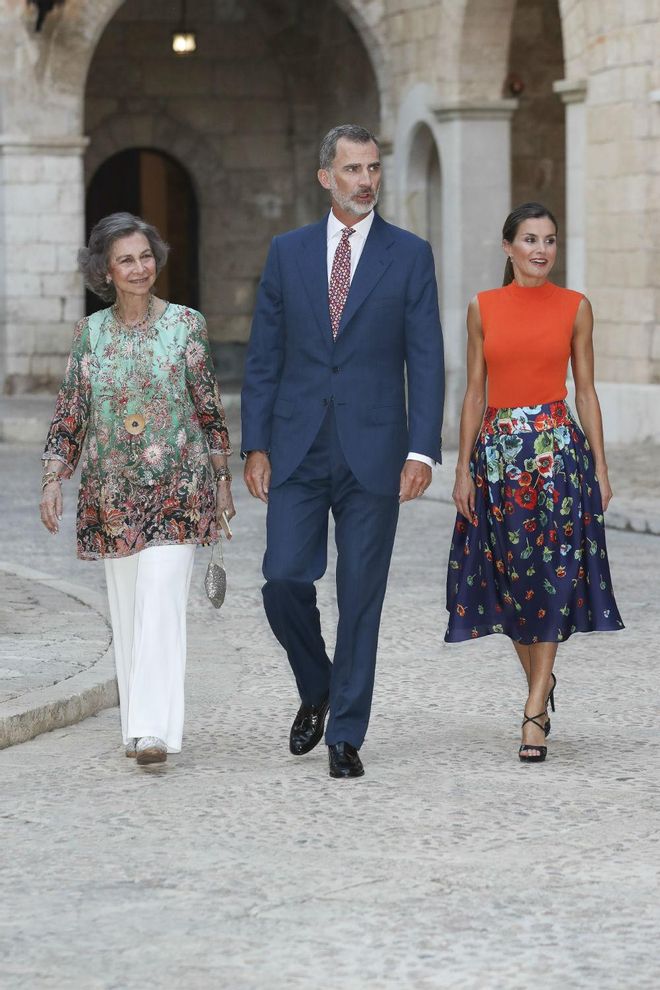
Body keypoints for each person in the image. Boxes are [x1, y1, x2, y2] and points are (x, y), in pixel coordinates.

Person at [241, 124, 445, 779]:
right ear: (326, 176)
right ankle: (320, 684)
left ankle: (346, 735)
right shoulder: (287, 252)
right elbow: (264, 356)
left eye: (374, 168)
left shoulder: (409, 255)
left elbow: (428, 359)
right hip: (298, 448)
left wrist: (422, 450)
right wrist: (256, 444)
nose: (366, 180)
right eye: (353, 169)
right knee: (282, 580)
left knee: (361, 595)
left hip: (375, 453)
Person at [40, 213, 235, 766]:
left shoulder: (186, 325)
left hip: (179, 487)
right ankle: (137, 728)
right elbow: (70, 414)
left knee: (159, 597)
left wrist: (222, 481)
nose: (140, 267)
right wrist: (53, 479)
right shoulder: (90, 334)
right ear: (105, 270)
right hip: (112, 494)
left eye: (146, 256)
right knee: (129, 606)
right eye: (126, 259)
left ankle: (151, 730)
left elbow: (209, 408)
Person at [445, 202, 624, 763]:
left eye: (549, 240)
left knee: (553, 574)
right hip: (497, 459)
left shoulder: (575, 307)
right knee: (512, 577)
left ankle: (533, 708)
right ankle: (540, 689)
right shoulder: (482, 307)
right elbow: (475, 391)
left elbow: (586, 390)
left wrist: (599, 463)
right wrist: (462, 467)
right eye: (529, 239)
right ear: (508, 248)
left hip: (557, 456)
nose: (541, 249)